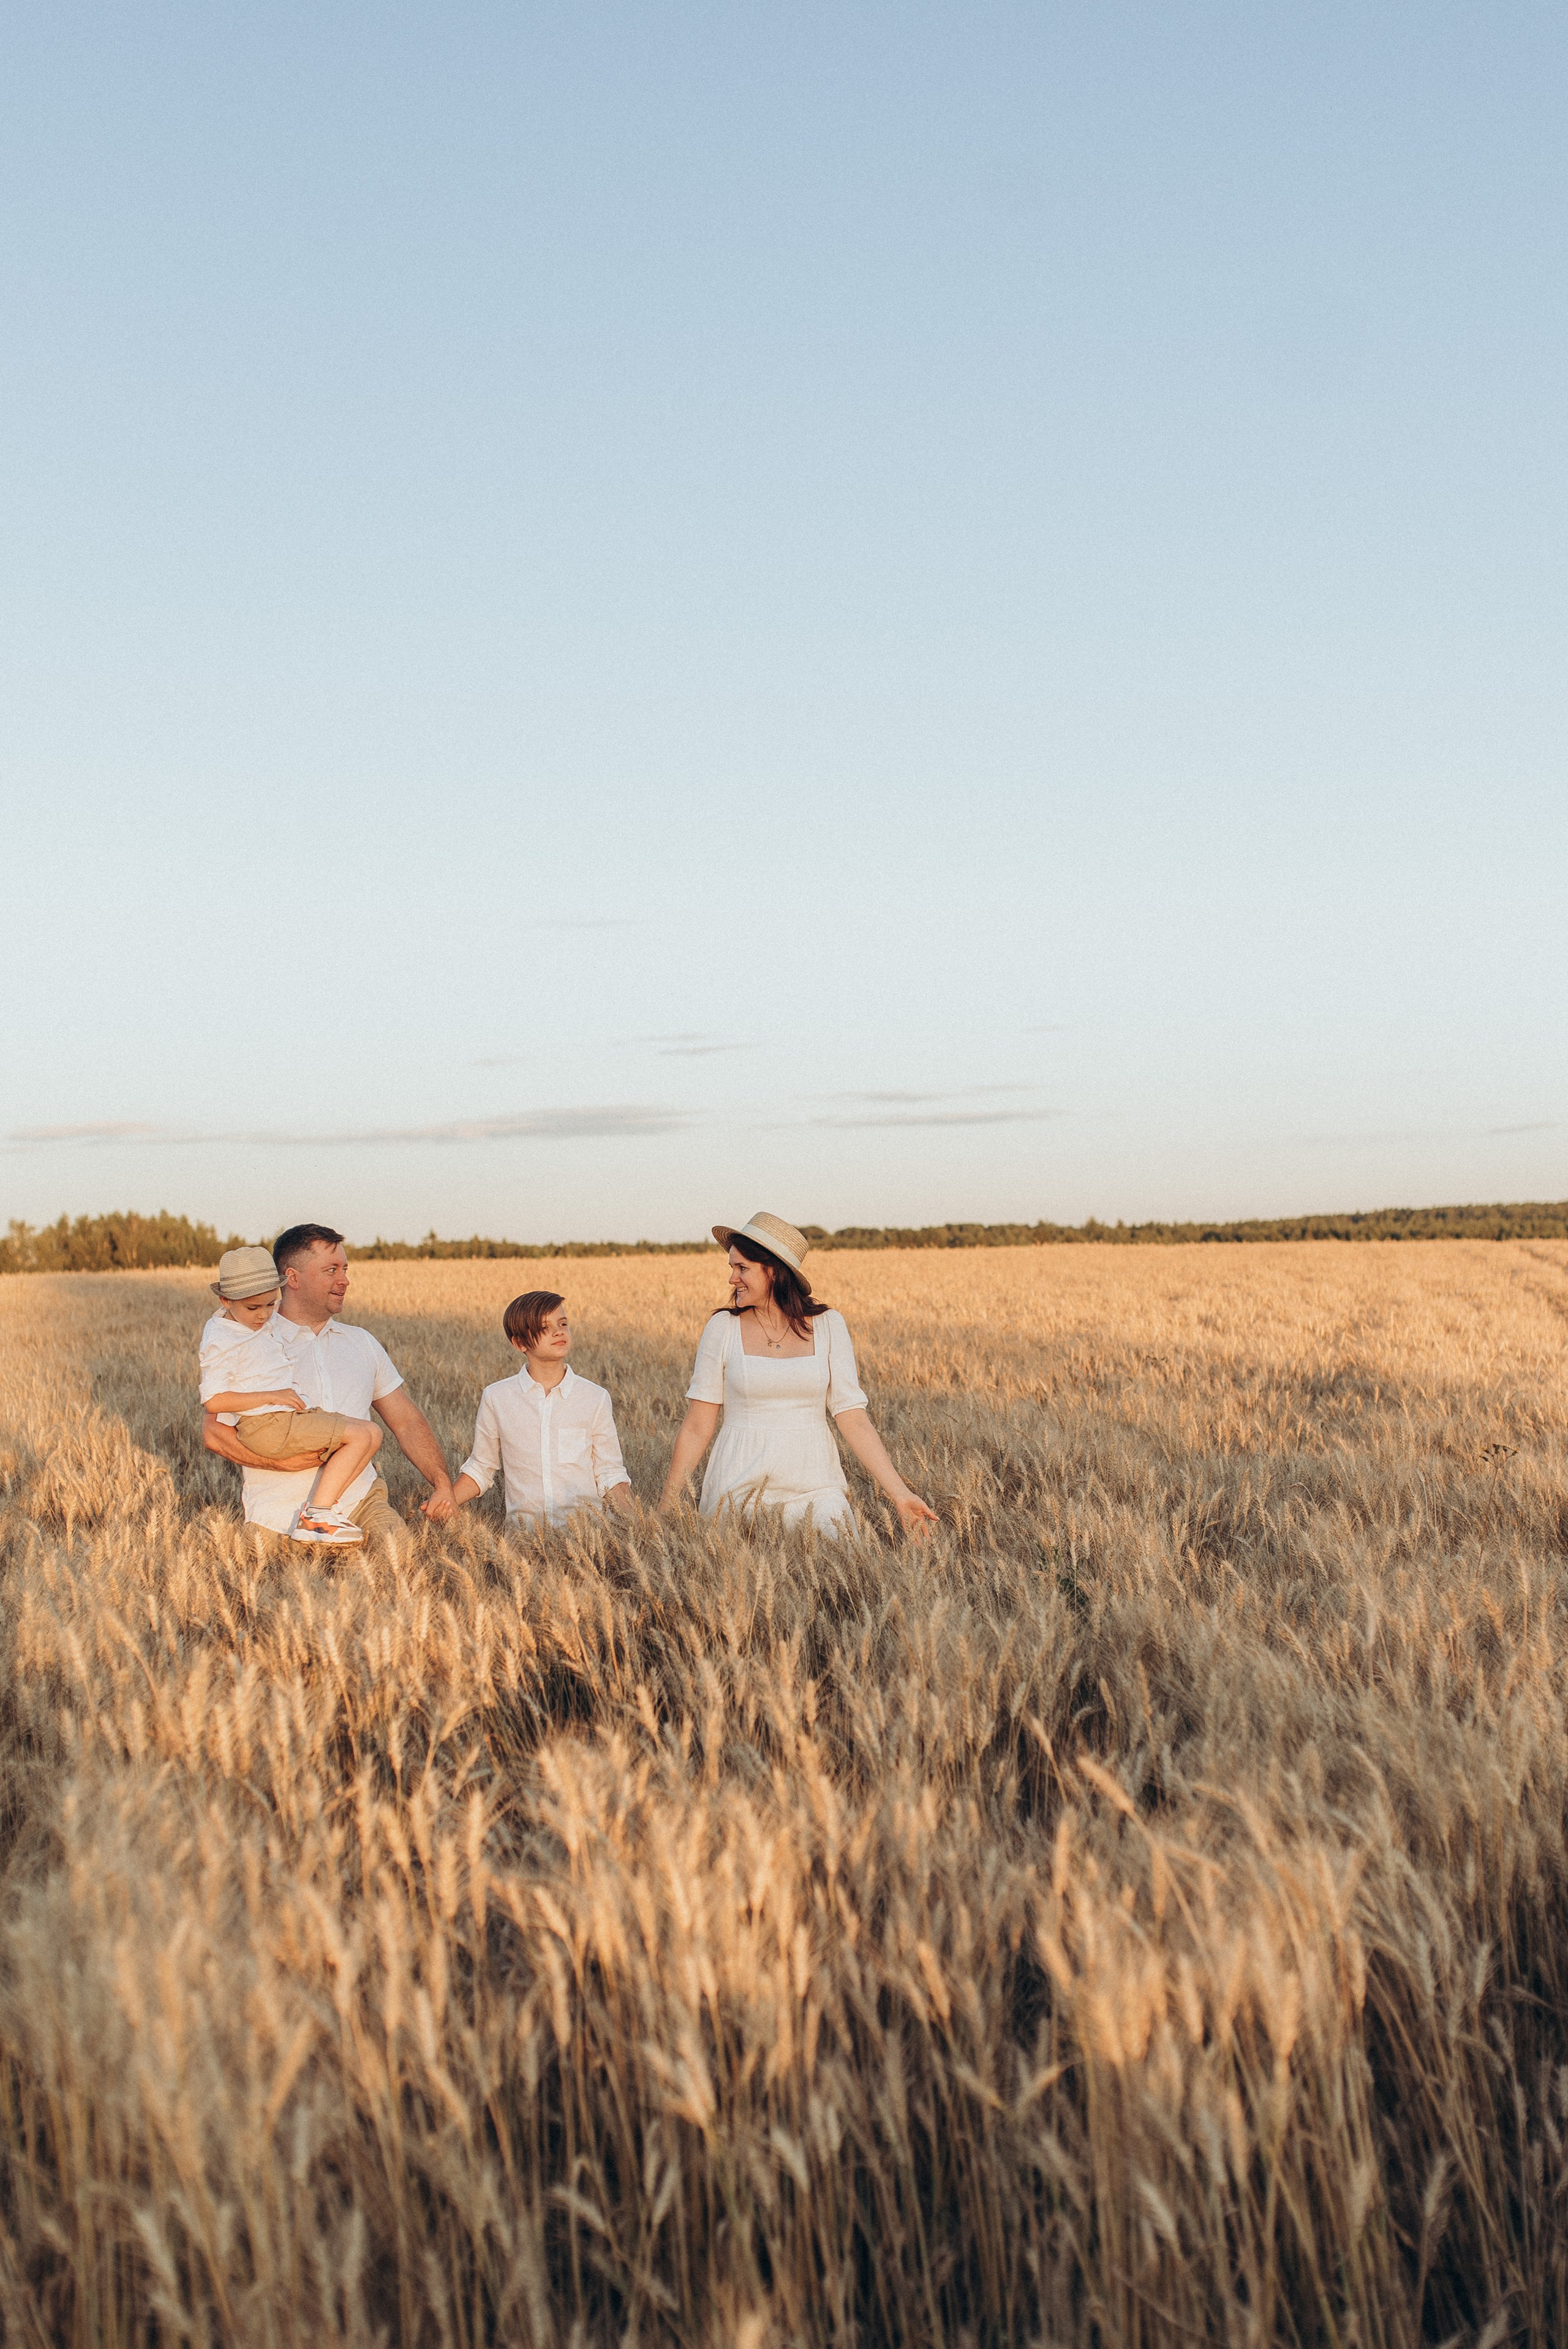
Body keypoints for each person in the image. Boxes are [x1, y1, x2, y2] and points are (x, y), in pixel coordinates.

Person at [658, 1210, 937, 1537]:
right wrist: (667, 1506)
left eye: (742, 1268)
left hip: (816, 1485)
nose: (732, 1278)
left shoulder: (829, 1325)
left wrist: (901, 1495)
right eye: (732, 1267)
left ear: (774, 1272)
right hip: (737, 1486)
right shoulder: (723, 1328)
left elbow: (854, 1419)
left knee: (839, 1557)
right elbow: (697, 1426)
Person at [201, 1222, 456, 1548]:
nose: (344, 1280)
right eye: (331, 1270)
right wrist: (280, 1464)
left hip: (360, 1502)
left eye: (345, 1269)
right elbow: (213, 1433)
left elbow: (406, 1421)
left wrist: (443, 1484)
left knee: (401, 1555)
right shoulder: (251, 1338)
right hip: (277, 1514)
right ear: (292, 1278)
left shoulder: (362, 1343)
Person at [198, 1244, 381, 1545]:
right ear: (225, 1299)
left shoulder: (249, 1325)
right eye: (253, 1308)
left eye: (271, 1305)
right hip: (268, 1424)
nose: (264, 1316)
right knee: (362, 1437)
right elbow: (214, 1402)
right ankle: (318, 1516)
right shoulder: (222, 1339)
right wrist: (274, 1395)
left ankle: (325, 1508)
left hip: (284, 1419)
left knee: (372, 1434)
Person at [450, 1289, 636, 1530]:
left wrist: (641, 1525)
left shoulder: (594, 1398)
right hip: (524, 1538)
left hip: (585, 1536)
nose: (559, 1332)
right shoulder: (497, 1398)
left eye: (563, 1323)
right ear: (519, 1343)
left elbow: (610, 1472)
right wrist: (446, 1501)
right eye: (545, 1328)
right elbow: (481, 1468)